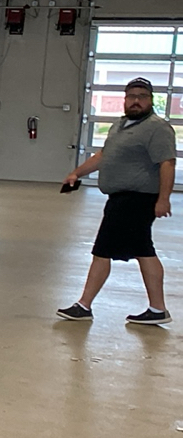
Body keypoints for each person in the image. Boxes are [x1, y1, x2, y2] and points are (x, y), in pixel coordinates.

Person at [57, 78, 177, 324]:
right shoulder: (120, 125)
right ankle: (156, 309)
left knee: (107, 251)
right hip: (120, 198)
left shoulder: (157, 128)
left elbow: (167, 162)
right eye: (131, 96)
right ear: (124, 99)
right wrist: (77, 173)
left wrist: (163, 199)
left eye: (142, 96)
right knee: (139, 250)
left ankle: (85, 305)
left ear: (151, 99)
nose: (136, 100)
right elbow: (104, 154)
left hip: (137, 199)